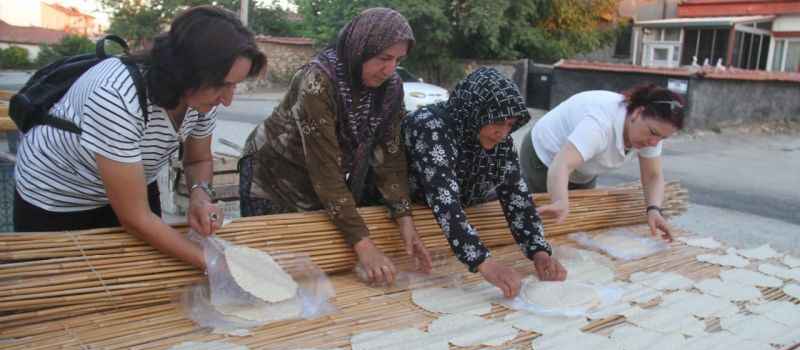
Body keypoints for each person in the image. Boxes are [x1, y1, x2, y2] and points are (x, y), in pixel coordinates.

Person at [13, 6, 266, 270]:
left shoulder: (202, 100)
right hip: (59, 198)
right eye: (222, 85)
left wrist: (200, 196)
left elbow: (198, 160)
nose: (227, 100)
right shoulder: (115, 96)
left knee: (144, 270)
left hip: (133, 185)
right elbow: (135, 219)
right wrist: (218, 264)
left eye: (234, 85)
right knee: (61, 281)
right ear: (186, 71)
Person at [239, 8, 431, 285]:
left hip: (318, 184)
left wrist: (405, 220)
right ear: (360, 48)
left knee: (316, 276)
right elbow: (325, 170)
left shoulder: (390, 88)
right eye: (383, 58)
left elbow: (390, 156)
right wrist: (364, 245)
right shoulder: (318, 81)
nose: (390, 70)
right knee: (271, 276)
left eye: (398, 60)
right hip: (273, 177)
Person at [403, 67, 566, 299]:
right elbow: (445, 200)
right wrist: (484, 262)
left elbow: (516, 195)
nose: (503, 133)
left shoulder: (499, 140)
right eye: (498, 122)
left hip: (459, 212)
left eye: (510, 124)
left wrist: (539, 251)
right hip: (411, 212)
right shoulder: (430, 127)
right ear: (475, 111)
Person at [519, 84, 686, 241]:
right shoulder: (600, 124)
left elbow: (652, 175)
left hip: (582, 166)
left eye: (662, 138)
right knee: (539, 224)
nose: (654, 143)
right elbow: (562, 165)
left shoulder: (650, 132)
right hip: (545, 156)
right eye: (653, 133)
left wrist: (654, 209)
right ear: (637, 113)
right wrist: (559, 201)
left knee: (576, 225)